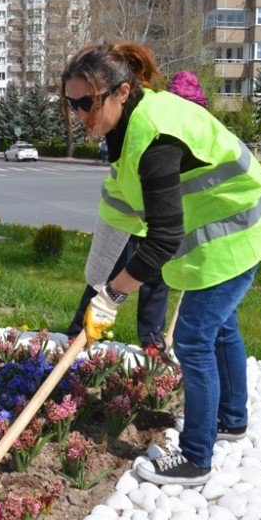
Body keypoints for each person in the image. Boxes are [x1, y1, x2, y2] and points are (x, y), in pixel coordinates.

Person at [62, 43, 261, 487]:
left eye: (86, 103)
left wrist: (115, 295)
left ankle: (196, 460)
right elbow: (116, 216)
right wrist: (90, 298)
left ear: (121, 92)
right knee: (222, 328)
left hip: (240, 230)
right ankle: (233, 419)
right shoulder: (123, 133)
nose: (77, 114)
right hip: (229, 232)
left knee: (194, 339)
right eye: (71, 103)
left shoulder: (153, 139)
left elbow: (161, 239)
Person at [67, 71, 210, 353]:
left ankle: (151, 338)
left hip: (157, 222)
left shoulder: (184, 135)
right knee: (107, 274)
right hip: (124, 216)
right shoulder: (153, 133)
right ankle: (80, 332)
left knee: (155, 277)